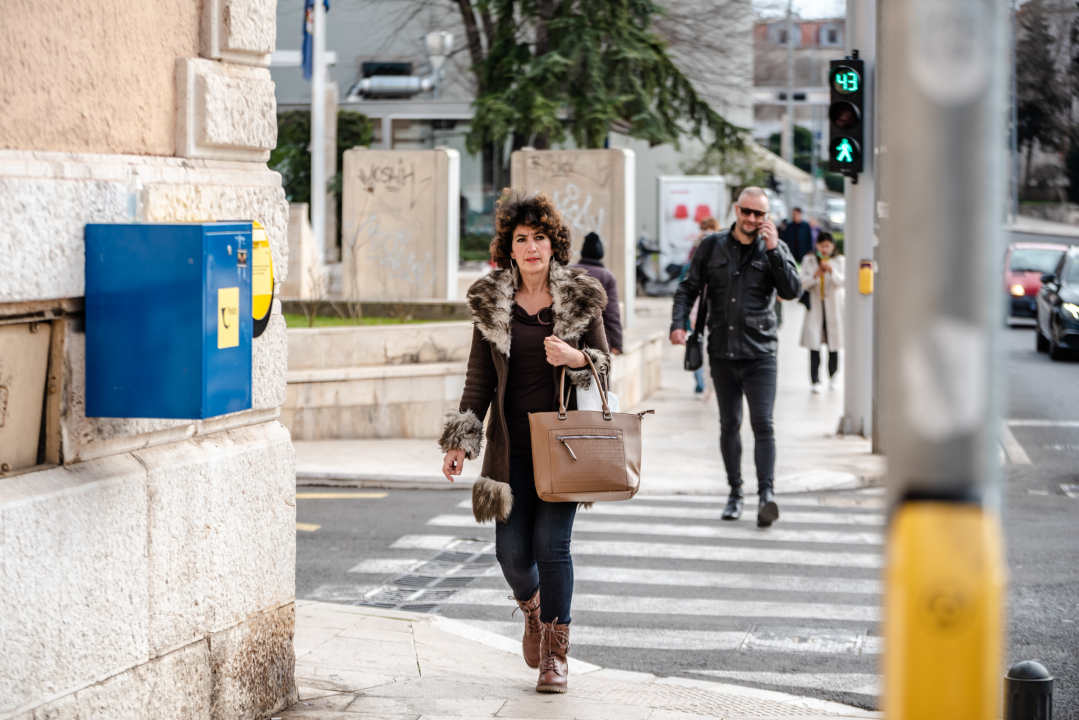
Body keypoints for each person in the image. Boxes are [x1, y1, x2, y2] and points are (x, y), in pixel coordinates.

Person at [440, 189, 610, 694]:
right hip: (508, 447)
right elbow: (478, 378)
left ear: (553, 244)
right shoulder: (490, 302)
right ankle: (532, 612)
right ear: (509, 248)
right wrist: (460, 441)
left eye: (540, 237)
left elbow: (603, 364)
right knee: (512, 554)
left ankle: (556, 657)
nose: (532, 247)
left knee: (551, 546)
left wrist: (577, 360)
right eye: (522, 239)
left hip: (565, 446)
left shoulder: (581, 297)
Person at [669, 187, 801, 527]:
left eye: (760, 214)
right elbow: (688, 287)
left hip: (761, 354)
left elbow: (792, 290)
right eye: (747, 212)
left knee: (763, 425)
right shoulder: (712, 246)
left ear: (766, 217)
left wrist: (773, 251)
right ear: (736, 210)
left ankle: (766, 496)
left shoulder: (774, 247)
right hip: (723, 353)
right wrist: (678, 323)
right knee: (729, 424)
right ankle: (735, 493)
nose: (753, 219)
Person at [799, 232, 845, 393]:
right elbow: (802, 283)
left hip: (833, 308)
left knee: (834, 346)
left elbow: (843, 282)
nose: (824, 249)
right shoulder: (809, 260)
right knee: (814, 346)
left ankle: (833, 377)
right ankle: (815, 380)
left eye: (827, 246)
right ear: (817, 245)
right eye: (822, 245)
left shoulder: (839, 261)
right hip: (816, 308)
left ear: (833, 246)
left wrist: (832, 271)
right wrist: (815, 275)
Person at [573, 231, 623, 354]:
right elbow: (612, 313)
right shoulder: (607, 276)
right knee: (598, 372)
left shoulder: (570, 271)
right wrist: (617, 343)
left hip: (570, 339)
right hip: (599, 340)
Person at [686, 218, 721, 396]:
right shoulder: (697, 249)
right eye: (702, 229)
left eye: (708, 229)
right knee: (698, 347)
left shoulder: (723, 249)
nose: (704, 232)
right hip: (699, 311)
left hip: (717, 314)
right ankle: (702, 385)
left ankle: (708, 385)